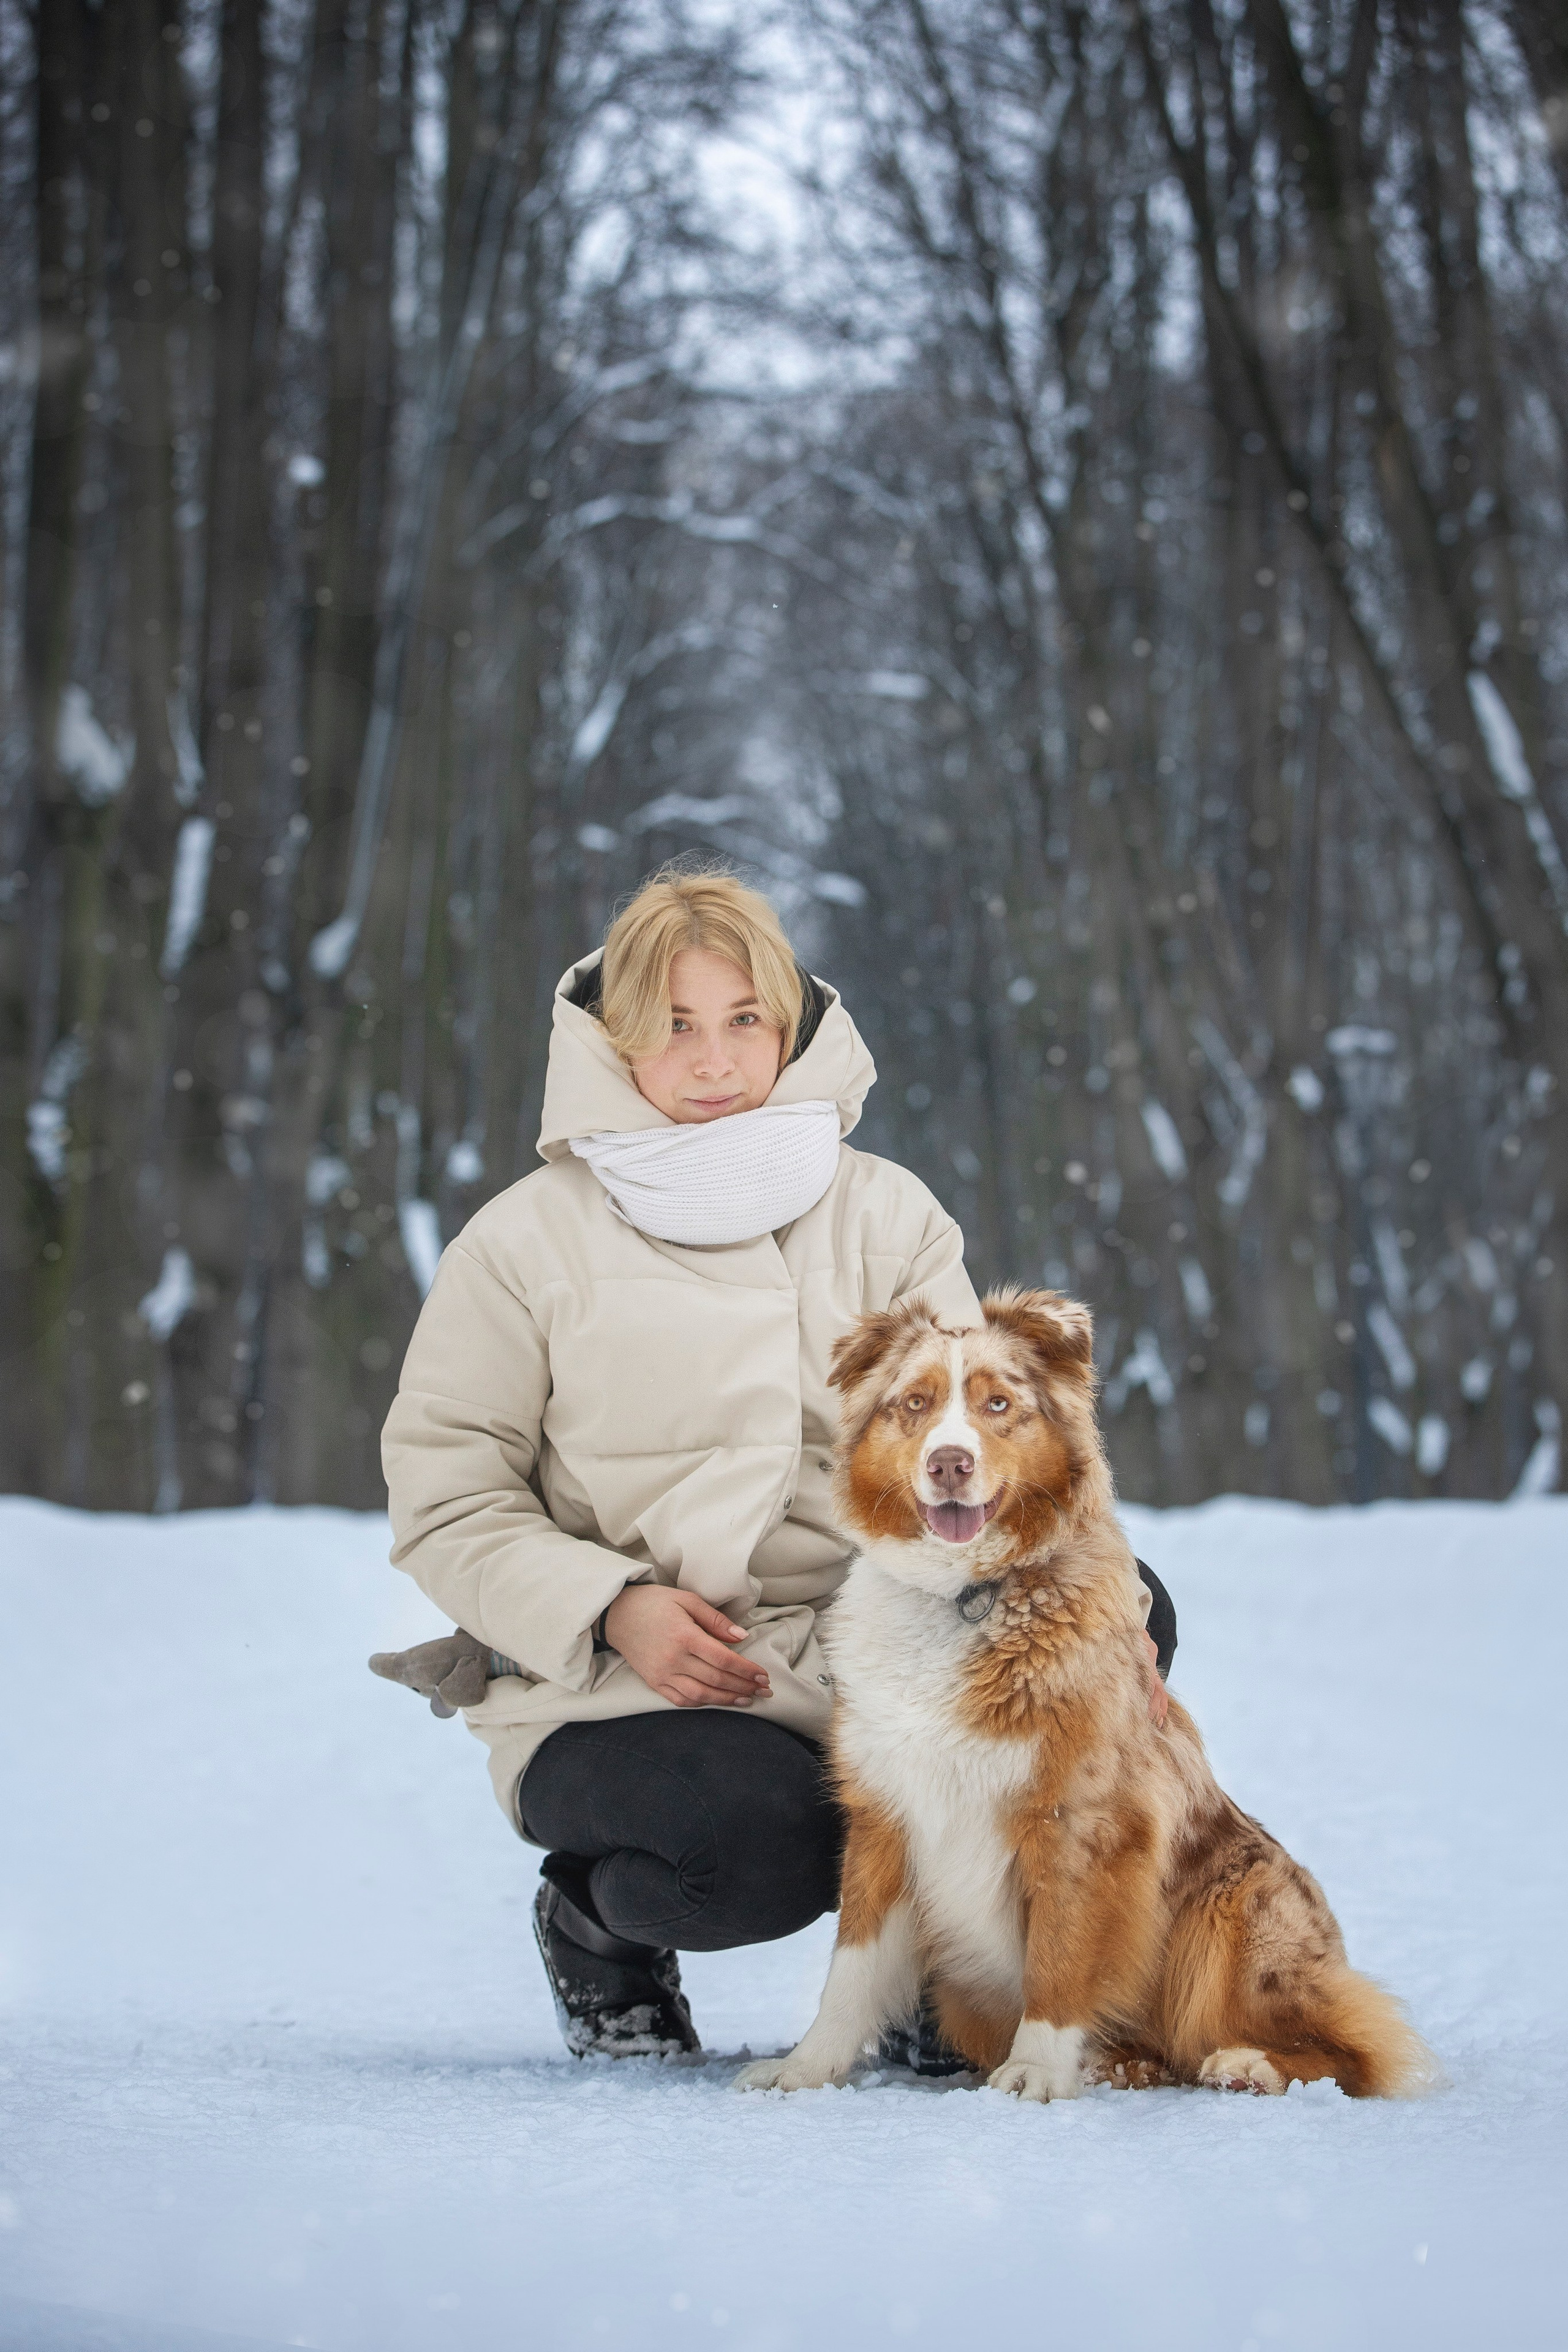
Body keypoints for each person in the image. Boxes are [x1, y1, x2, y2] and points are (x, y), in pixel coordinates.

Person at [376, 868, 1176, 2064]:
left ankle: (933, 1966)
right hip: (630, 1688)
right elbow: (447, 1497)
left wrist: (1075, 1595)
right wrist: (610, 1608)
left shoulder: (886, 1214)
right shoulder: (522, 1241)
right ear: (615, 1041)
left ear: (789, 1027)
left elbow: (980, 1442)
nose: (712, 1061)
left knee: (1128, 1609)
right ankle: (593, 1927)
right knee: (754, 1848)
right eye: (674, 1026)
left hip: (874, 1642)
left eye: (743, 1019)